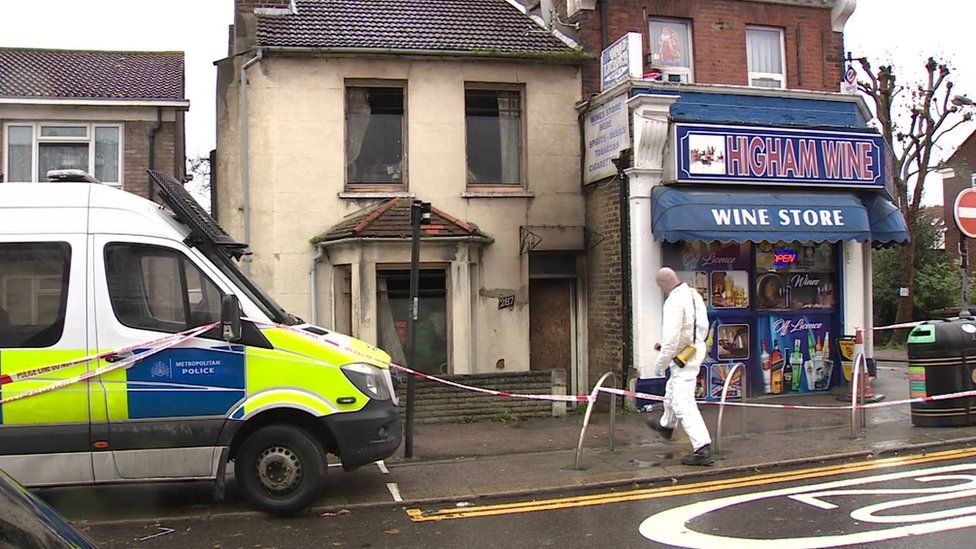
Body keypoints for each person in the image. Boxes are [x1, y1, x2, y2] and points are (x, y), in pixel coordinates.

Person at [646, 267, 714, 466]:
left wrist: (660, 364)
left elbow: (671, 339)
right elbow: (701, 328)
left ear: (664, 284)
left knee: (683, 402)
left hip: (683, 358)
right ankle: (666, 426)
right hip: (694, 351)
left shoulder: (673, 301)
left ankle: (702, 448)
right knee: (672, 391)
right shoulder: (694, 295)